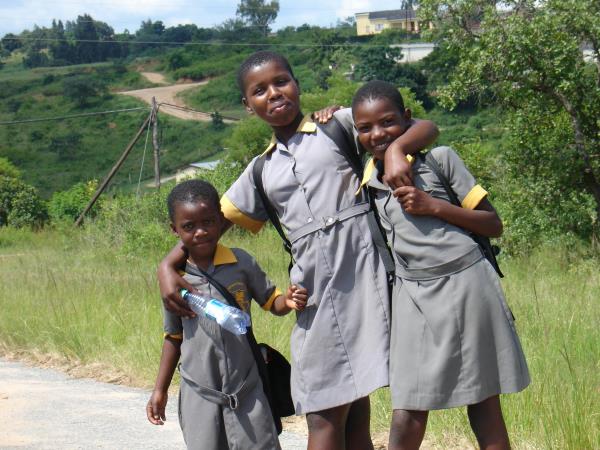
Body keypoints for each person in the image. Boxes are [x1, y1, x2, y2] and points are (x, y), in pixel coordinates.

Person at [157, 51, 439, 450]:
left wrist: (395, 150)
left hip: (366, 280)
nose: (273, 94)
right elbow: (202, 226)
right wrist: (168, 265)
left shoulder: (338, 125)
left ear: (296, 82)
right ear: (247, 105)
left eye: (281, 82)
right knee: (323, 410)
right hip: (316, 297)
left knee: (356, 409)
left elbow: (425, 126)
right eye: (259, 91)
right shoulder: (260, 170)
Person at [352, 80, 530, 450]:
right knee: (409, 404)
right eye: (365, 127)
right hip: (412, 294)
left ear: (406, 118)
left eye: (387, 123)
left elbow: (492, 225)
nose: (377, 134)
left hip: (468, 284)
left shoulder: (440, 160)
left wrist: (434, 206)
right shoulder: (364, 182)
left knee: (484, 398)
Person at [146, 179, 307, 450]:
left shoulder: (241, 262)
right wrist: (160, 390)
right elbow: (173, 337)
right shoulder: (175, 280)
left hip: (247, 391)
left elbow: (272, 302)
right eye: (189, 226)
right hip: (201, 395)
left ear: (221, 220)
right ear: (174, 230)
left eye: (208, 222)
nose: (200, 232)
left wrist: (288, 301)